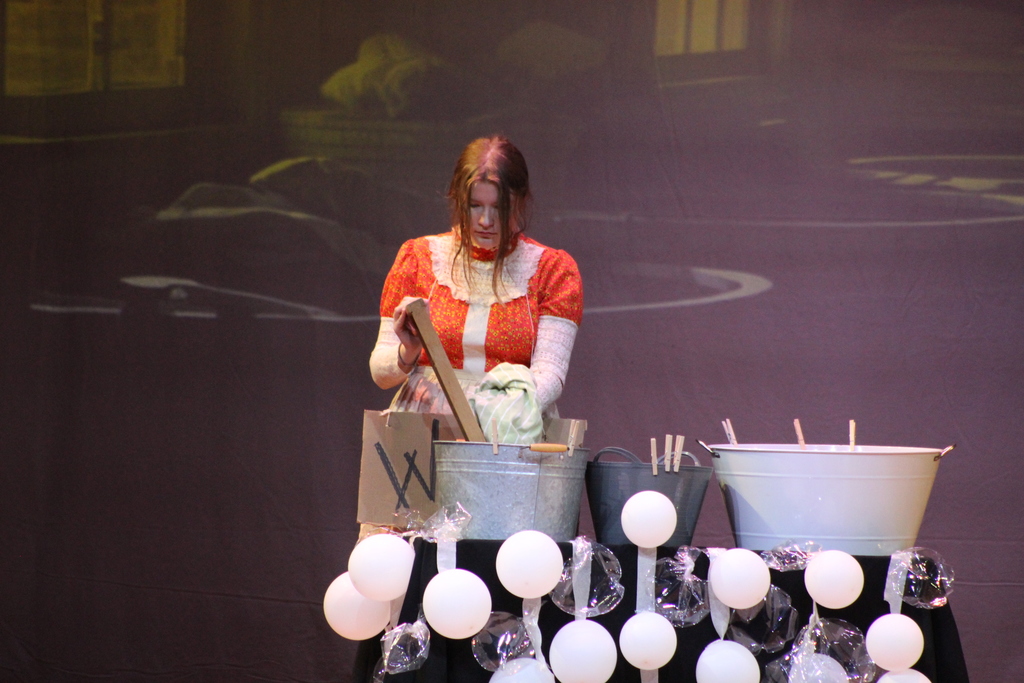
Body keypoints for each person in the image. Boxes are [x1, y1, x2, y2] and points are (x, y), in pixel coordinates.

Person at [369, 135, 583, 422]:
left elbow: (550, 375)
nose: (485, 220)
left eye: (498, 207)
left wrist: (494, 412)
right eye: (475, 206)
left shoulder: (551, 270)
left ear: (520, 202)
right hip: (425, 428)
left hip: (509, 426)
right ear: (458, 199)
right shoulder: (419, 257)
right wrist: (409, 350)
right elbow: (381, 374)